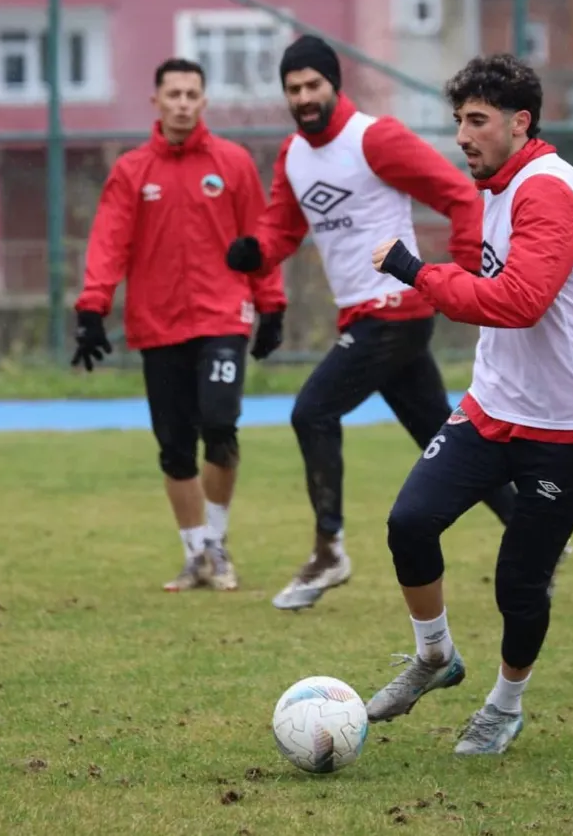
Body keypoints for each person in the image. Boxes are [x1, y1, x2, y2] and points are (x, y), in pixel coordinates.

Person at [365, 53, 573, 755]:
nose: (462, 135)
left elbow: (517, 302)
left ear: (520, 122)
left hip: (571, 426)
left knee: (520, 580)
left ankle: (505, 703)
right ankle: (433, 658)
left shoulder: (548, 191)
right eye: (458, 121)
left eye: (477, 120)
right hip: (494, 407)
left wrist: (416, 271)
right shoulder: (499, 187)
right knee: (410, 522)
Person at [225, 34, 518, 611]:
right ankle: (533, 529)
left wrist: (462, 275)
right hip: (368, 314)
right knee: (440, 432)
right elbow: (281, 229)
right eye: (293, 89)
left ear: (335, 84)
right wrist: (254, 254)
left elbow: (459, 196)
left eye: (313, 85)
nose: (304, 96)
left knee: (312, 412)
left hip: (394, 310)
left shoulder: (374, 138)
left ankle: (330, 551)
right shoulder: (293, 155)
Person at [72, 58, 288, 593]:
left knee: (218, 425)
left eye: (193, 93)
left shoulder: (233, 164)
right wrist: (92, 309)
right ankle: (194, 554)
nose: (184, 103)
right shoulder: (131, 171)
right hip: (157, 323)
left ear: (204, 100)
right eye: (174, 94)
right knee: (173, 445)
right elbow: (109, 242)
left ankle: (217, 542)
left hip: (222, 317)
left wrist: (272, 305)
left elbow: (259, 240)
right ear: (157, 101)